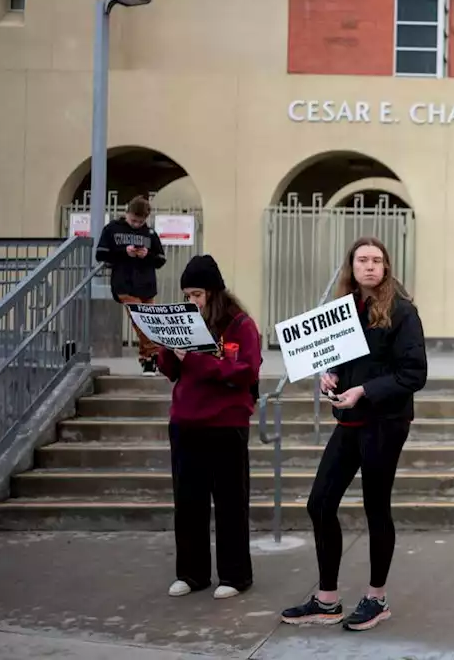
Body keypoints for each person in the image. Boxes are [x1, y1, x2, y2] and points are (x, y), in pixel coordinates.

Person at [280, 237, 427, 632]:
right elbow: (338, 363)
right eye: (362, 260)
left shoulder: (402, 311)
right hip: (349, 421)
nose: (370, 266)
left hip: (385, 422)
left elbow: (414, 374)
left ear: (386, 267)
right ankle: (326, 600)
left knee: (376, 508)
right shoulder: (343, 310)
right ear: (352, 265)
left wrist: (365, 390)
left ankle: (376, 598)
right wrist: (330, 377)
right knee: (320, 503)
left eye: (377, 260)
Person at [156, 254, 261, 600]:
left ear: (214, 292)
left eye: (197, 295)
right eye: (187, 295)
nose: (192, 302)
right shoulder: (187, 320)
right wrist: (168, 348)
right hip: (186, 422)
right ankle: (191, 573)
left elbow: (244, 373)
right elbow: (171, 371)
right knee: (188, 502)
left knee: (230, 501)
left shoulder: (240, 325)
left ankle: (234, 575)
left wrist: (197, 360)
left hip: (226, 423)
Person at [95, 195, 168, 376]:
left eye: (140, 221)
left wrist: (147, 255)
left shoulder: (150, 233)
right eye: (133, 220)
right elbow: (101, 254)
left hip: (146, 284)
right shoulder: (112, 229)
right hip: (124, 283)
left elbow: (160, 259)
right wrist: (123, 252)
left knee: (149, 321)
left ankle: (147, 360)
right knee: (141, 320)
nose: (136, 225)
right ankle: (154, 355)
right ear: (127, 213)